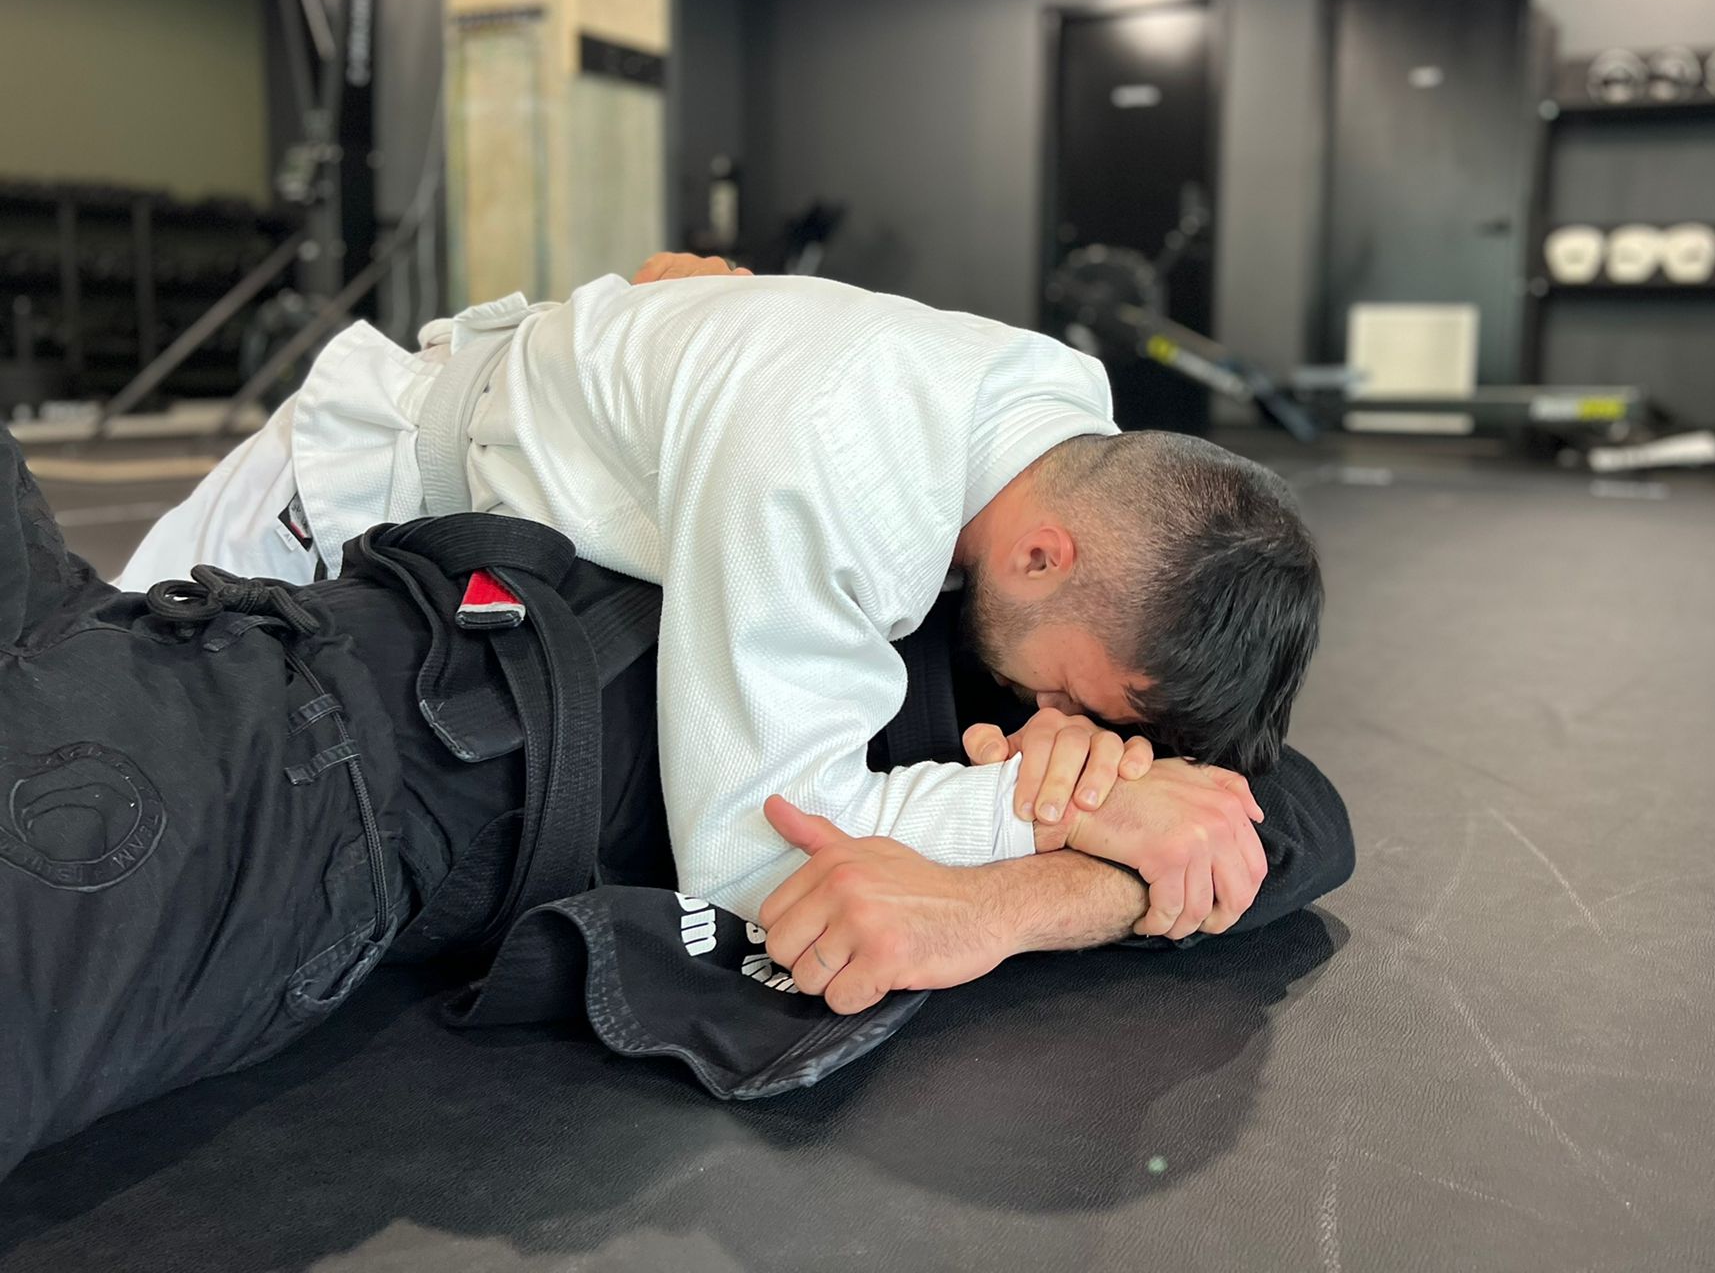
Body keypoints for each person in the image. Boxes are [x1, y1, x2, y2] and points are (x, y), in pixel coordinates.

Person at [0, 425, 1353, 1175]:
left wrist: (999, 902)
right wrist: (1011, 878)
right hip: (192, 640)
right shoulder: (922, 524)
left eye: (1107, 727)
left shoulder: (1069, 715)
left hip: (321, 778)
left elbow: (1304, 825)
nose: (1063, 728)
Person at [118, 256, 1325, 937]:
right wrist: (1056, 818)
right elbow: (755, 852)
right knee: (102, 714)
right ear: (1042, 558)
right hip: (336, 492)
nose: (1042, 707)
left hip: (533, 446)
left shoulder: (1060, 411)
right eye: (1064, 688)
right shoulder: (830, 473)